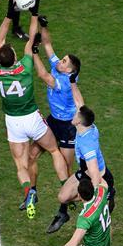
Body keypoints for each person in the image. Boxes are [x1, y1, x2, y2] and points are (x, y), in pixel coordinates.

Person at [0, 0, 68, 218]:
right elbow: (31, 38)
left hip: (13, 123)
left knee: (20, 165)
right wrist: (33, 13)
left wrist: (9, 13)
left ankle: (29, 192)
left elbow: (0, 39)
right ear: (14, 56)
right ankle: (66, 185)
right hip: (32, 119)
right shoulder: (25, 66)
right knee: (53, 150)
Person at [20, 16, 80, 222]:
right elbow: (48, 44)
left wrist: (34, 53)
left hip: (67, 128)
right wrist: (43, 26)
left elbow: (44, 76)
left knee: (66, 169)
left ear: (70, 70)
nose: (59, 61)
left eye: (64, 61)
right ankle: (32, 193)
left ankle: (63, 212)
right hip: (52, 121)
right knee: (31, 156)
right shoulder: (60, 68)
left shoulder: (63, 82)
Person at [47, 76, 116, 233]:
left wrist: (93, 199)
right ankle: (64, 214)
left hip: (98, 178)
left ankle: (109, 195)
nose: (74, 114)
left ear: (79, 122)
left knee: (94, 222)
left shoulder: (87, 146)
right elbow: (79, 101)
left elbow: (95, 175)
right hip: (85, 173)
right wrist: (72, 83)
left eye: (76, 115)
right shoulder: (86, 125)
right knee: (62, 197)